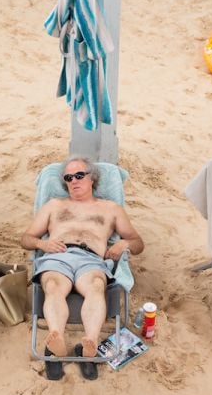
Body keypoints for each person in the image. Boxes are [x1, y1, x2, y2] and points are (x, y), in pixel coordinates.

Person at [20, 155, 144, 380]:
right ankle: (56, 341)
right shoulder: (54, 205)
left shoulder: (111, 208)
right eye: (68, 178)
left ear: (92, 178)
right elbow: (26, 238)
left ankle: (90, 344)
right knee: (53, 285)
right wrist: (43, 244)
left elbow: (138, 243)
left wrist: (124, 244)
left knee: (96, 286)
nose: (74, 181)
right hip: (58, 255)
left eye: (79, 175)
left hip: (91, 259)